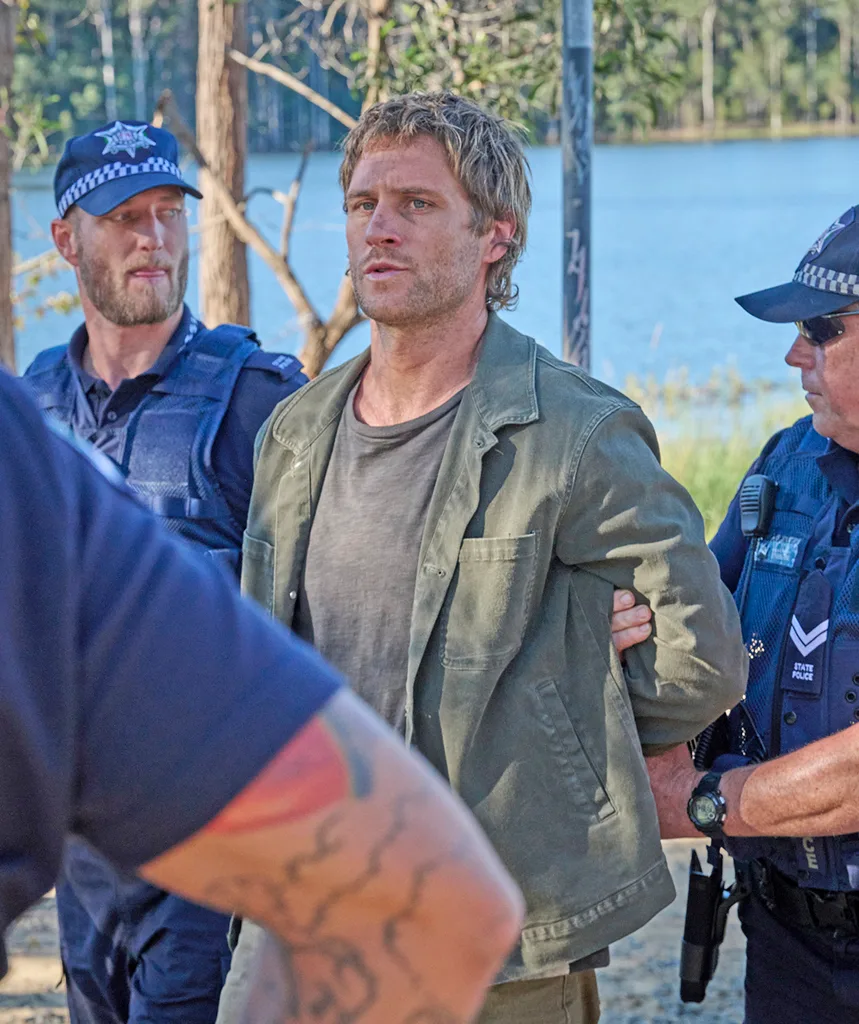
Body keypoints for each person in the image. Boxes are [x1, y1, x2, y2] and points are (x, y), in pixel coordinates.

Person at [218, 91, 748, 1024]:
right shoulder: (295, 431)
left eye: (416, 205)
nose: (379, 227)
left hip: (491, 936)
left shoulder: (577, 432)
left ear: (494, 237)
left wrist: (564, 715)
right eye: (362, 204)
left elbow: (701, 659)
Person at [0, 365, 523, 1024]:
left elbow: (416, 897)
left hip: (207, 788)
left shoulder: (249, 397)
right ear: (67, 252)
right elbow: (417, 899)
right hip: (124, 839)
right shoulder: (35, 419)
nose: (152, 252)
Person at [18, 120, 307, 1024]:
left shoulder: (259, 396)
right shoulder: (31, 404)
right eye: (122, 219)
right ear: (67, 239)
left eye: (166, 215)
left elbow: (350, 567)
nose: (152, 238)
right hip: (77, 836)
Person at [613, 205, 859, 1024]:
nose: (793, 353)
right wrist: (612, 624)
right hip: (784, 935)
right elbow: (692, 627)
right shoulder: (789, 463)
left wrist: (705, 802)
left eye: (820, 329)